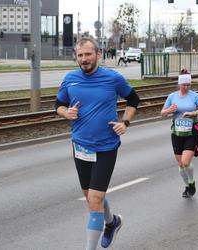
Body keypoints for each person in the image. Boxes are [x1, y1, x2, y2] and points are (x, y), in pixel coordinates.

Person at [55, 37, 139, 249]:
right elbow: (58, 104)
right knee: (91, 198)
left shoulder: (113, 78)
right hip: (81, 145)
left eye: (88, 54)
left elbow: (133, 99)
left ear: (98, 54)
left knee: (94, 201)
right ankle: (112, 222)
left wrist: (125, 122)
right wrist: (67, 113)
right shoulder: (70, 79)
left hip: (106, 146)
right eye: (80, 55)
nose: (84, 59)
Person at [161, 69, 198, 198]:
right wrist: (169, 110)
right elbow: (162, 114)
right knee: (180, 164)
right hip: (176, 132)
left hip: (191, 132)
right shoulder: (172, 96)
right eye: (184, 85)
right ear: (179, 84)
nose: (186, 87)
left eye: (188, 84)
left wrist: (193, 113)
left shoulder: (195, 96)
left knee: (185, 162)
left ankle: (192, 182)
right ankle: (188, 185)